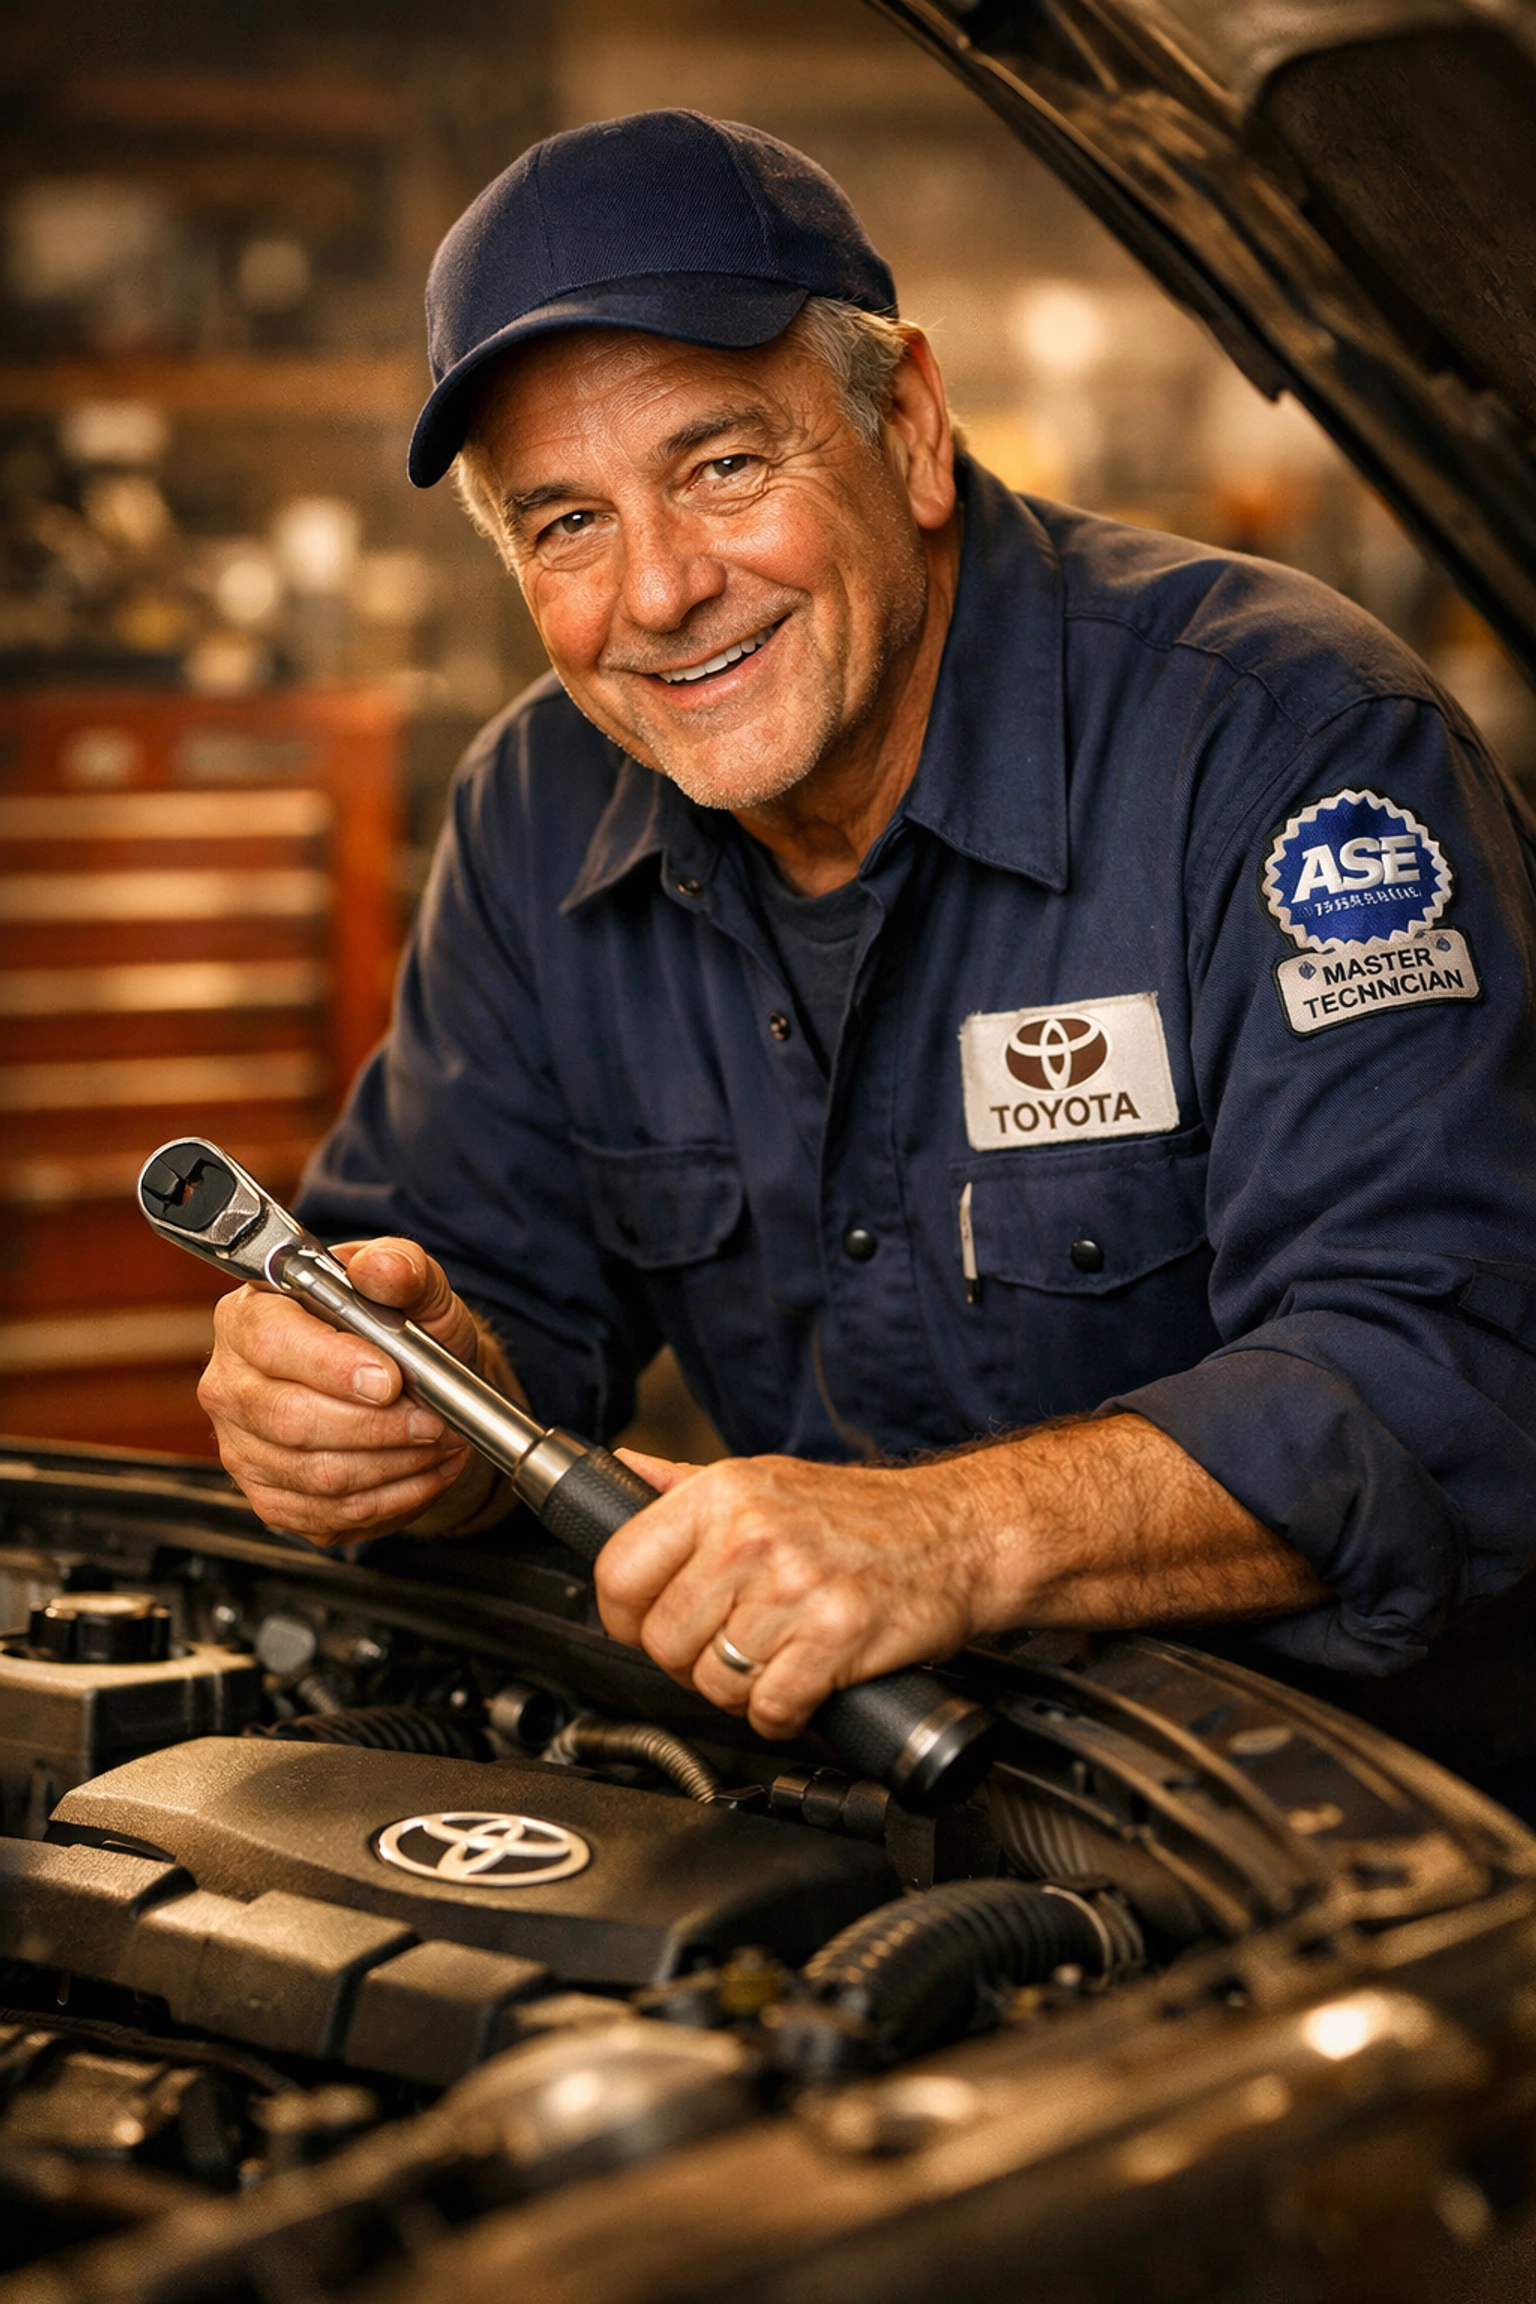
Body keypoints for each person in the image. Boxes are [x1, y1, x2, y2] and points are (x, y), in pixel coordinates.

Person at [199, 110, 1536, 1745]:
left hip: (1355, 1838)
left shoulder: (1290, 749)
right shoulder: (536, 810)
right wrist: (382, 1404)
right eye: (567, 522)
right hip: (851, 1799)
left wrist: (945, 1537)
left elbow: (1451, 1372)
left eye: (723, 466)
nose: (661, 591)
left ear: (907, 424)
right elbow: (484, 1301)